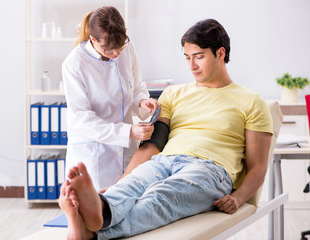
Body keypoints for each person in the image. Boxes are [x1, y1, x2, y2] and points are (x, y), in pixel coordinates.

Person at [59, 18, 274, 240]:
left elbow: (257, 167)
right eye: (187, 58)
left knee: (160, 196)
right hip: (164, 161)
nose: (192, 66)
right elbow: (152, 145)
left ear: (220, 54)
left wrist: (238, 198)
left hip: (210, 170)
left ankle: (97, 227)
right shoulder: (173, 94)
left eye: (199, 57)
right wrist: (120, 182)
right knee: (134, 184)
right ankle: (101, 210)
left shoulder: (251, 101)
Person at [62, 6, 160, 191]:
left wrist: (141, 101)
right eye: (108, 49)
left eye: (120, 47)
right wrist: (128, 132)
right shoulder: (74, 64)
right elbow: (82, 119)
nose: (116, 54)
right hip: (94, 154)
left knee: (128, 202)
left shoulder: (127, 48)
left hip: (126, 152)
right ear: (93, 40)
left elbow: (137, 85)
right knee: (97, 212)